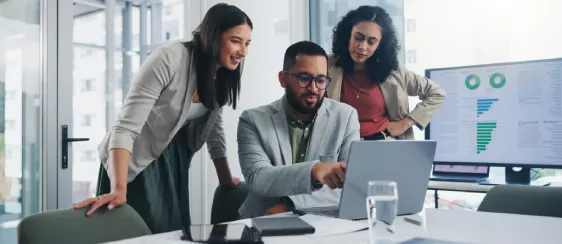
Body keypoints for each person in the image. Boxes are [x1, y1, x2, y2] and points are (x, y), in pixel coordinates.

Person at [73, 3, 252, 234]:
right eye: (236, 41)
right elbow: (125, 127)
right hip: (134, 158)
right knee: (145, 233)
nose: (243, 52)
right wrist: (119, 187)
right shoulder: (171, 58)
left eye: (247, 43)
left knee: (174, 232)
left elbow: (213, 128)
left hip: (173, 159)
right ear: (213, 36)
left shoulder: (221, 75)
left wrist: (226, 180)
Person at [237, 41, 360, 218]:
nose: (314, 88)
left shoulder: (346, 117)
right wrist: (314, 171)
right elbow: (258, 178)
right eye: (304, 78)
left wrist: (291, 204)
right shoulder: (252, 120)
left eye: (320, 80)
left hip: (323, 221)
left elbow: (351, 185)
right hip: (262, 219)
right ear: (283, 79)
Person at [327, 5, 446, 140]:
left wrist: (405, 123)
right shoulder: (326, 65)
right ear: (348, 35)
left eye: (371, 42)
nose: (362, 47)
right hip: (340, 150)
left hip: (385, 146)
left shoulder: (394, 71)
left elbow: (437, 93)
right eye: (358, 38)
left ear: (380, 45)